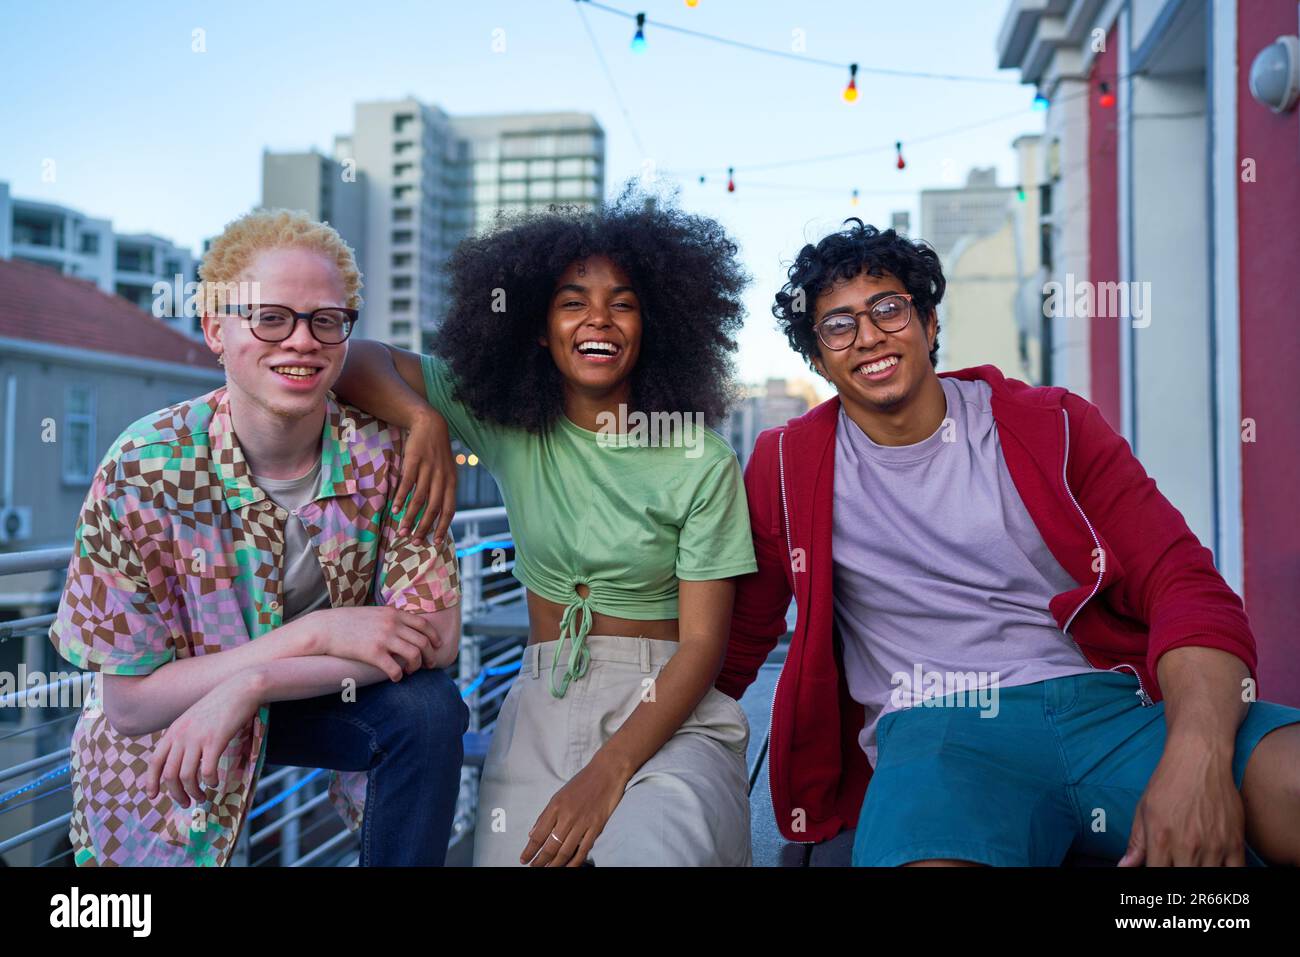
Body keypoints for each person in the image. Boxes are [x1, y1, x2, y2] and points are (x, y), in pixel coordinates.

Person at [718, 218, 1300, 867]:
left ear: (930, 323)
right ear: (818, 357)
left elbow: (1184, 585)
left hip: (1105, 710)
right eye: (839, 324)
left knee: (1291, 781)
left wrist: (1196, 757)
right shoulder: (786, 465)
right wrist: (636, 730)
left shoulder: (1050, 423)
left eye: (888, 308)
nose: (869, 336)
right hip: (938, 735)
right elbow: (739, 635)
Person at [333, 190, 757, 866]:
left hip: (666, 708)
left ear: (654, 325)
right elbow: (352, 358)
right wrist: (424, 418)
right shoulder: (506, 423)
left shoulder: (700, 459)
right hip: (542, 698)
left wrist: (608, 770)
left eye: (623, 302)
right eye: (572, 301)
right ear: (538, 326)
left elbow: (703, 645)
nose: (600, 318)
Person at [48, 209, 468, 866]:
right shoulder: (144, 468)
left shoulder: (385, 455)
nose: (301, 340)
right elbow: (129, 704)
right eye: (270, 317)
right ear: (215, 328)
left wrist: (256, 682)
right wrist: (316, 631)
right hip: (172, 719)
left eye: (325, 320)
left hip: (317, 694)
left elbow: (436, 637)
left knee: (428, 711)